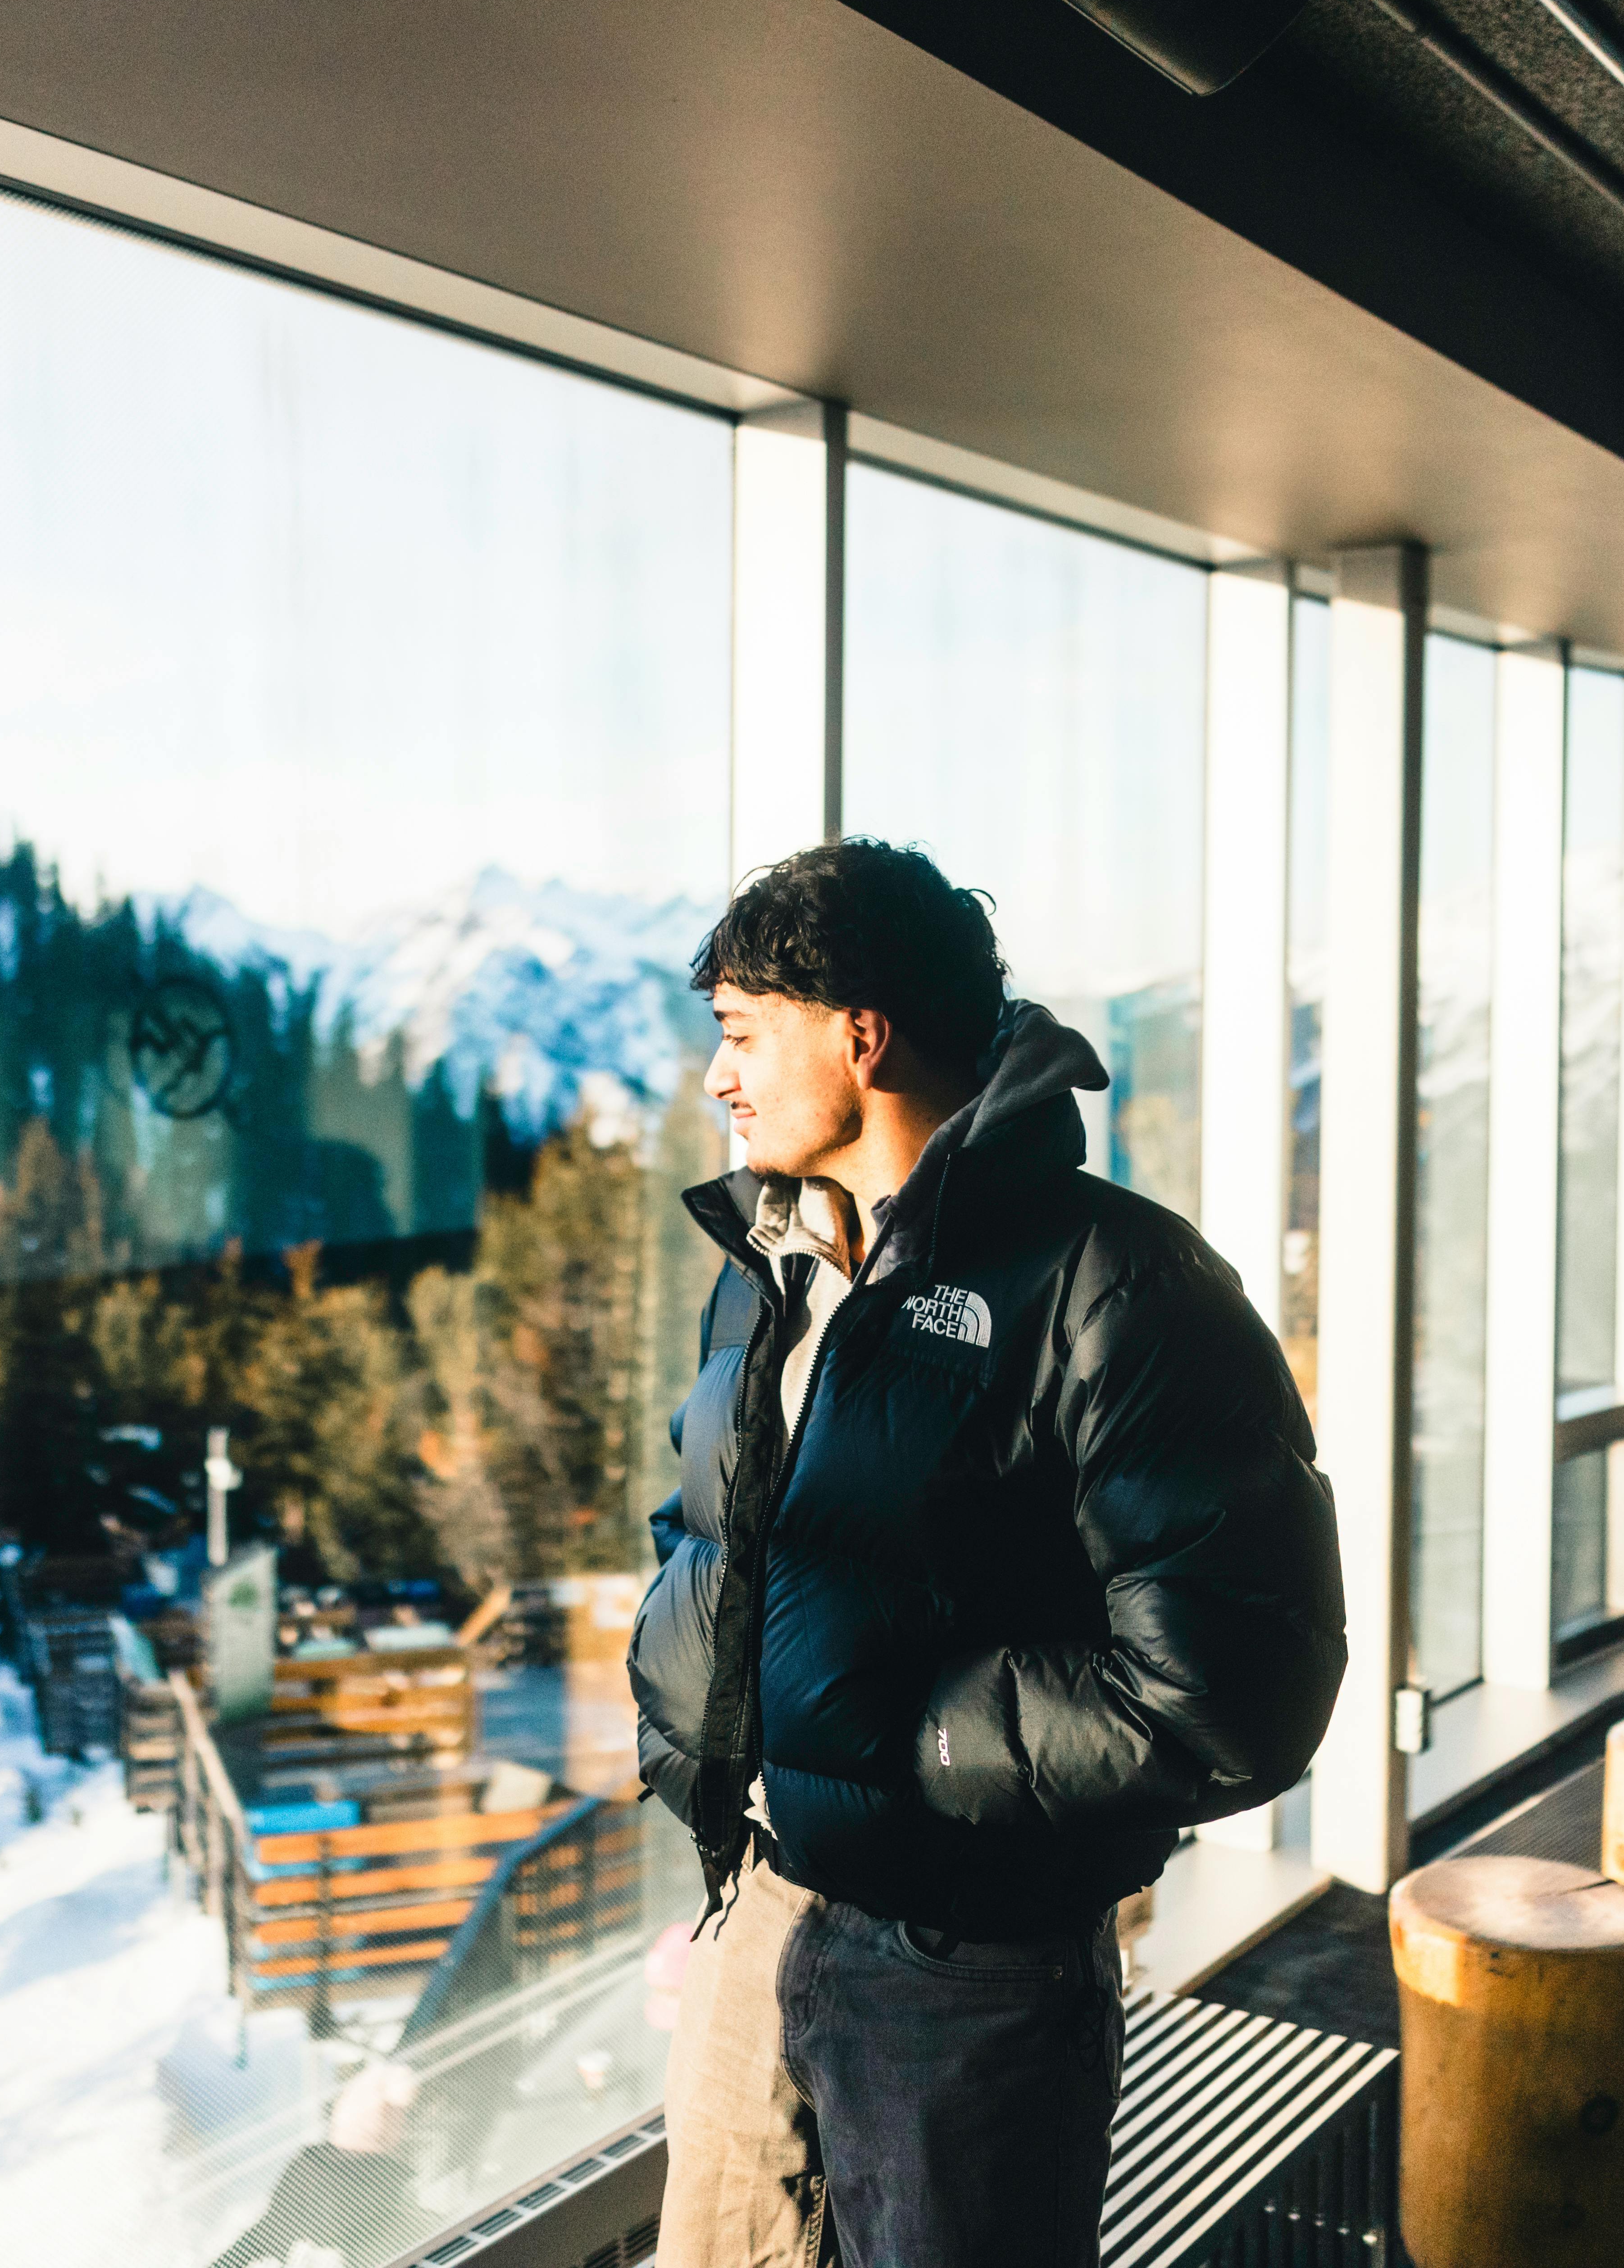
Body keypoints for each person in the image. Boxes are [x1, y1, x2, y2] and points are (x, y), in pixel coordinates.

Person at [631, 838, 1346, 2268]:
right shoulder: (772, 1274)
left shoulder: (1119, 1287)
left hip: (969, 1968)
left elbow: (1235, 1687)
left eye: (741, 1035)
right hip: (762, 1904)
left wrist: (910, 1748)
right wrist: (731, 1774)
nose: (719, 1079)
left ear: (861, 1033)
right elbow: (721, 1537)